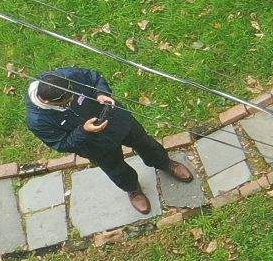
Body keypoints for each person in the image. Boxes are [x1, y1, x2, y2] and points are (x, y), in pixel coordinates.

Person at [23, 66, 194, 215]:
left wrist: (101, 93)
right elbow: (61, 144)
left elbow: (93, 76)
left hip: (116, 119)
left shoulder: (65, 76)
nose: (73, 98)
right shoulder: (38, 121)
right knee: (115, 168)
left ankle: (164, 163)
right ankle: (132, 189)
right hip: (95, 145)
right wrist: (84, 131)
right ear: (47, 101)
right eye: (68, 100)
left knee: (145, 143)